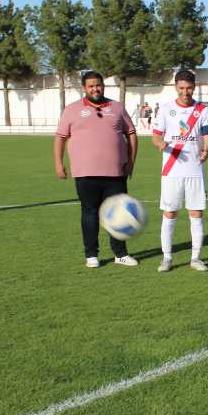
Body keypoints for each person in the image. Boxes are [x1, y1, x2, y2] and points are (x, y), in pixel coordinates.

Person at [54, 70, 138, 268]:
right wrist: (58, 163)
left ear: (103, 86)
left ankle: (120, 253)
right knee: (89, 213)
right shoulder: (71, 110)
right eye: (91, 86)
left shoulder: (117, 108)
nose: (95, 89)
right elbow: (60, 137)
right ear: (84, 88)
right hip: (85, 173)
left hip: (115, 172)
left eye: (98, 85)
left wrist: (131, 161)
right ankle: (91, 255)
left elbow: (132, 134)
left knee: (118, 212)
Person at [152, 69, 208, 272]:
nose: (185, 93)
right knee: (169, 213)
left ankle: (195, 258)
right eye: (181, 88)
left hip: (195, 170)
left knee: (196, 213)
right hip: (171, 170)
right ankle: (167, 258)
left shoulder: (203, 110)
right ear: (175, 87)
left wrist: (206, 150)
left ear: (194, 87)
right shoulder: (165, 109)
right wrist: (160, 144)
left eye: (188, 88)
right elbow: (156, 136)